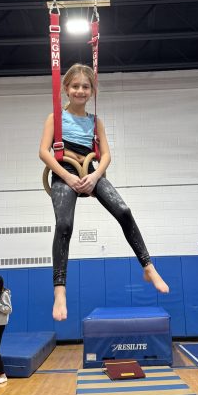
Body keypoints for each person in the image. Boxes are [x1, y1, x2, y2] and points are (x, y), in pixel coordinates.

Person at [39, 63, 169, 321]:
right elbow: (44, 151)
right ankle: (60, 290)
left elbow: (107, 155)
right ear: (66, 89)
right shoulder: (55, 117)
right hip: (65, 172)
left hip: (91, 171)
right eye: (75, 86)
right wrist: (67, 177)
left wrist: (95, 176)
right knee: (64, 224)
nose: (80, 91)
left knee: (124, 210)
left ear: (92, 91)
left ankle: (148, 266)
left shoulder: (95, 121)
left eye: (85, 87)